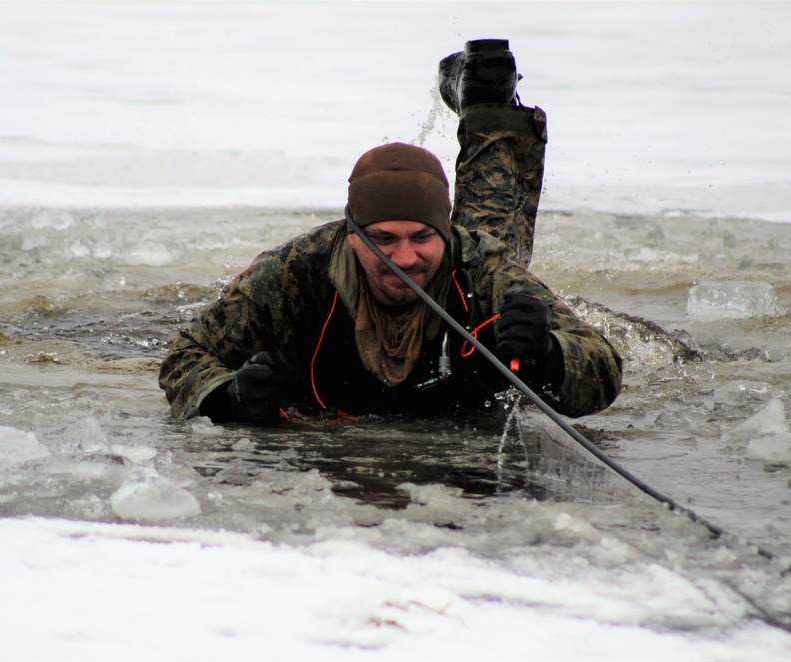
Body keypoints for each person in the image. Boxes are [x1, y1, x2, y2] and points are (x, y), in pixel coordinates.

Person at [160, 39, 622, 426]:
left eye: (421, 237)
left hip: (465, 259)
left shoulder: (482, 266)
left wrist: (548, 356)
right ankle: (484, 105)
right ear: (353, 235)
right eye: (384, 240)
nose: (403, 259)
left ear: (443, 235)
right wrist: (227, 397)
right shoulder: (294, 271)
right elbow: (187, 354)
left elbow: (603, 367)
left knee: (491, 227)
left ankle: (487, 104)